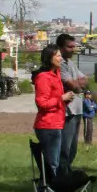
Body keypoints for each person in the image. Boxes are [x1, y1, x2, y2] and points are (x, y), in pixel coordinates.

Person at [33, 44, 75, 178]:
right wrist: (61, 98)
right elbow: (41, 103)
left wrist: (66, 99)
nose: (61, 58)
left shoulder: (55, 75)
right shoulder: (44, 77)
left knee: (54, 161)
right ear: (49, 58)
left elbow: (55, 100)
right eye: (58, 56)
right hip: (47, 125)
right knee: (52, 164)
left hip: (57, 123)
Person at [56, 34, 88, 176]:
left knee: (73, 148)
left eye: (74, 46)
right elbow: (72, 86)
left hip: (77, 110)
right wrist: (77, 84)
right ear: (60, 48)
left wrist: (78, 83)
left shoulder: (70, 63)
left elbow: (84, 80)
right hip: (68, 112)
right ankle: (62, 176)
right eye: (69, 47)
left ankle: (67, 172)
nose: (73, 49)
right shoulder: (61, 64)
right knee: (65, 148)